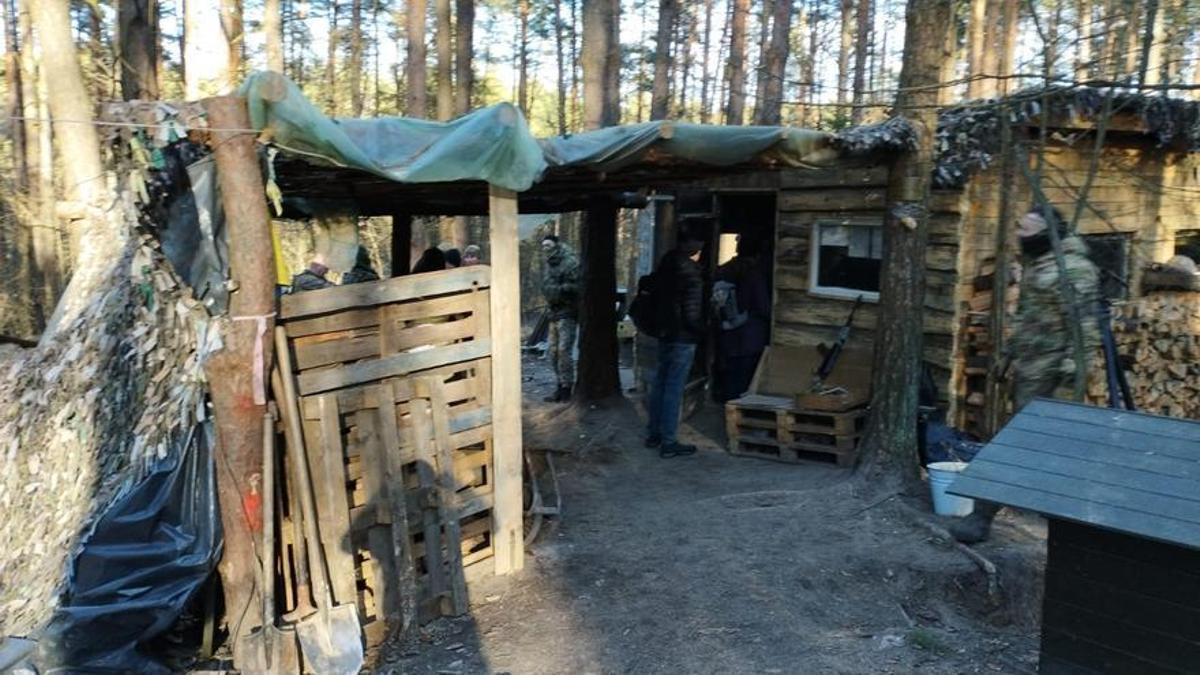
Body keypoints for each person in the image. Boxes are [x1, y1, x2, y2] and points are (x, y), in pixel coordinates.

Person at [951, 205, 1100, 544]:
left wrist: (1066, 388)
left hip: (1051, 381)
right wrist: (1009, 354)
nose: (1019, 234)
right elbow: (1030, 318)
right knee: (1036, 451)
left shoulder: (1074, 270)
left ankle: (981, 518)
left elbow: (1084, 333)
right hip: (1028, 373)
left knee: (1012, 447)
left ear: (1047, 233)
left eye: (1026, 229)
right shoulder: (1039, 263)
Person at [645, 232, 706, 458]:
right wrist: (702, 332)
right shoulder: (691, 273)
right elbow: (691, 314)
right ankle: (669, 442)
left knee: (660, 383)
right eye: (699, 245)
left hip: (664, 335)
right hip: (683, 338)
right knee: (674, 388)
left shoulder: (665, 266)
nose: (701, 249)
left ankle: (653, 434)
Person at [713, 236, 770, 402]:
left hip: (727, 332)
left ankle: (728, 408)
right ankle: (738, 416)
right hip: (750, 336)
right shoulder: (755, 274)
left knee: (730, 375)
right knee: (746, 380)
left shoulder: (723, 270)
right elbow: (763, 306)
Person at [540, 234, 580, 402]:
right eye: (543, 246)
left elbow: (577, 287)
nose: (545, 249)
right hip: (553, 313)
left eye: (548, 245)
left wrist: (558, 290)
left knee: (564, 351)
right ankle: (559, 385)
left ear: (556, 245)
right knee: (553, 353)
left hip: (567, 312)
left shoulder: (570, 262)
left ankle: (567, 388)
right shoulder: (549, 264)